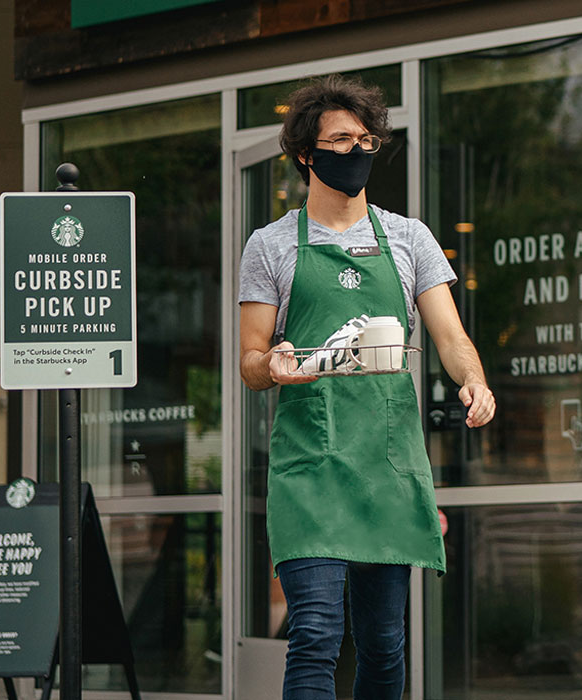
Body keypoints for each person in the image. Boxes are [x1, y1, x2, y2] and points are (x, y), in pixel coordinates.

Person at [238, 75, 495, 700]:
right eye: (340, 140)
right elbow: (248, 359)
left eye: (365, 140)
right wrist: (270, 364)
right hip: (310, 465)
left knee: (383, 644)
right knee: (317, 634)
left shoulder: (410, 238)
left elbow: (450, 336)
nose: (355, 152)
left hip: (386, 462)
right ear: (307, 154)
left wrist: (475, 381)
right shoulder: (270, 245)